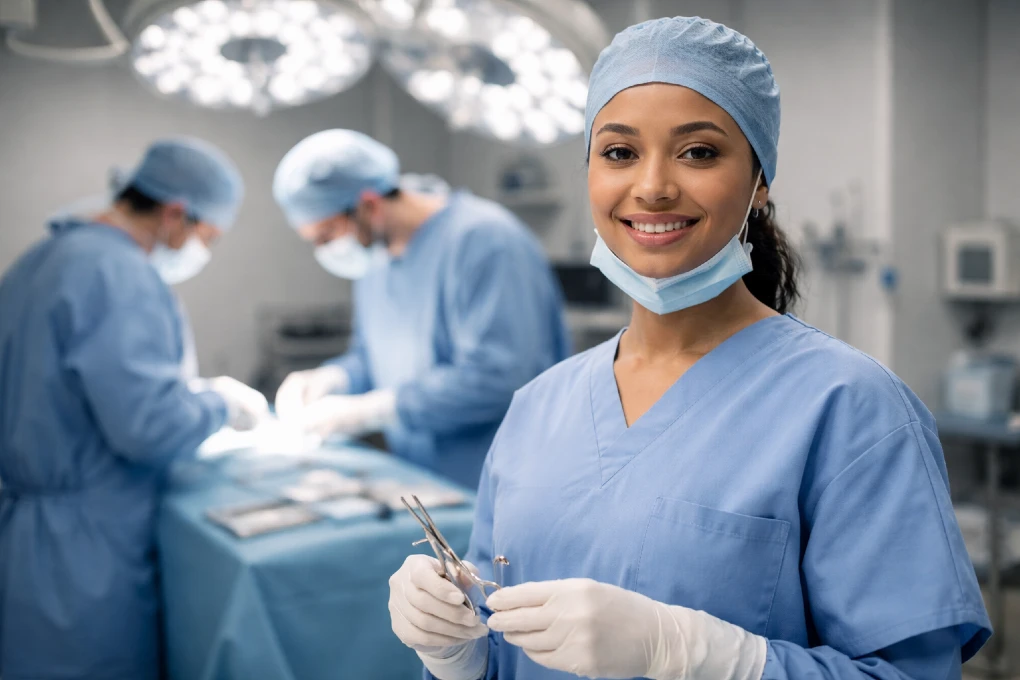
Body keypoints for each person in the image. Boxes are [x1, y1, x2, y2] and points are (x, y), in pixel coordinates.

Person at [386, 16, 991, 680]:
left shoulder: (852, 409)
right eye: (619, 152)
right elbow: (504, 640)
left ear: (760, 181)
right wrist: (458, 654)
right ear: (589, 172)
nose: (652, 187)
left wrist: (700, 654)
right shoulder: (538, 408)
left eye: (698, 152)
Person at [0, 137, 269, 680]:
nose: (201, 248)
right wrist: (221, 404)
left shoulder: (42, 258)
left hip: (25, 536)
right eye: (206, 234)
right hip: (83, 557)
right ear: (174, 213)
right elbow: (149, 426)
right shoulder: (119, 274)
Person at [272, 130, 570, 489]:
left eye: (326, 235)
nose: (325, 250)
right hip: (423, 481)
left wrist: (378, 410)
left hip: (502, 482)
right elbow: (371, 358)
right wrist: (332, 379)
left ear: (368, 205)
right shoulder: (374, 262)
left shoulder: (486, 243)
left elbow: (496, 377)